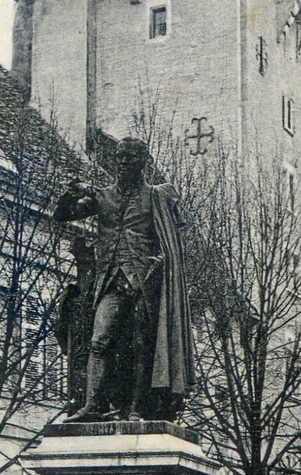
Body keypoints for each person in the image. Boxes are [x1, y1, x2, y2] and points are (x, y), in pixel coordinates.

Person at [54, 136, 195, 422]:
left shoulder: (157, 195)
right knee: (99, 340)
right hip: (111, 280)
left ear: (143, 163)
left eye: (131, 161)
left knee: (141, 345)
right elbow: (63, 216)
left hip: (146, 281)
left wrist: (158, 263)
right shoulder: (103, 196)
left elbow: (171, 240)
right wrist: (71, 193)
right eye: (120, 160)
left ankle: (135, 408)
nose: (124, 165)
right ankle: (93, 404)